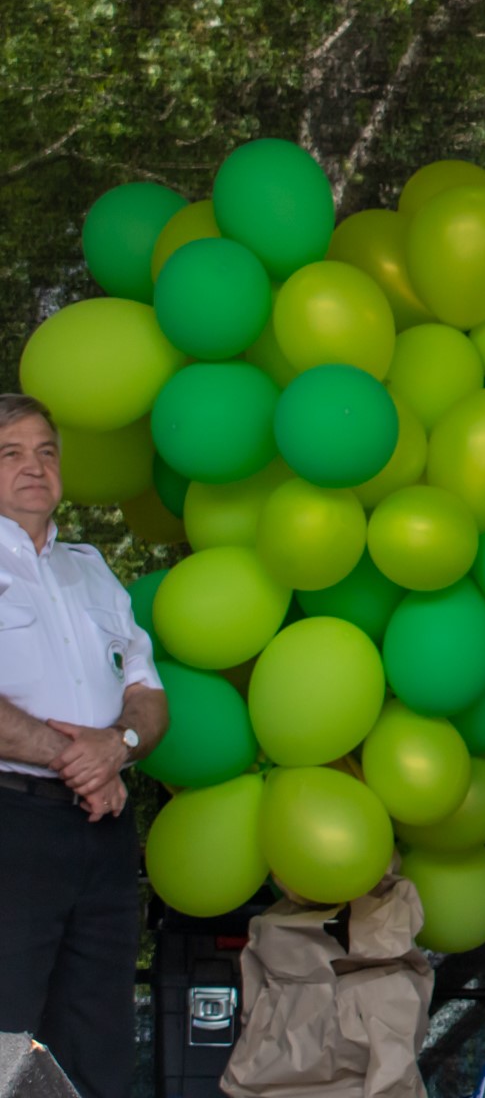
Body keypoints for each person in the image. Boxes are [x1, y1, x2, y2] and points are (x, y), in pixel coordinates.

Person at [0, 394, 165, 1098]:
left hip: (102, 832)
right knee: (4, 1031)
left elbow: (149, 695)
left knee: (96, 1036)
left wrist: (119, 747)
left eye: (46, 451)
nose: (34, 467)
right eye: (10, 453)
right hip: (13, 825)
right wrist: (83, 759)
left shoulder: (92, 568)